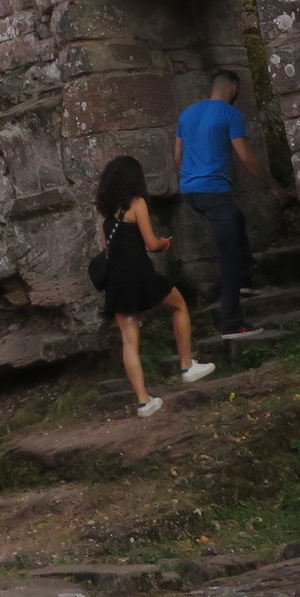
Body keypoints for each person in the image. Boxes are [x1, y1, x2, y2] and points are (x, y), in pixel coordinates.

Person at [92, 155, 215, 418]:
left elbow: (108, 250)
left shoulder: (107, 214)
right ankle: (187, 366)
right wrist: (164, 243)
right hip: (140, 275)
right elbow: (150, 243)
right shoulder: (137, 204)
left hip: (117, 282)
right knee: (179, 306)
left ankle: (143, 401)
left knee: (129, 340)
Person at [172, 70, 289, 338]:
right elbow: (247, 158)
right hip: (214, 192)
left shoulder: (187, 114)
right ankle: (233, 324)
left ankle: (244, 280)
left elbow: (177, 155)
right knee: (229, 256)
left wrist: (192, 178)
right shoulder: (231, 114)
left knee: (237, 218)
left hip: (190, 192)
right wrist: (274, 186)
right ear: (234, 87)